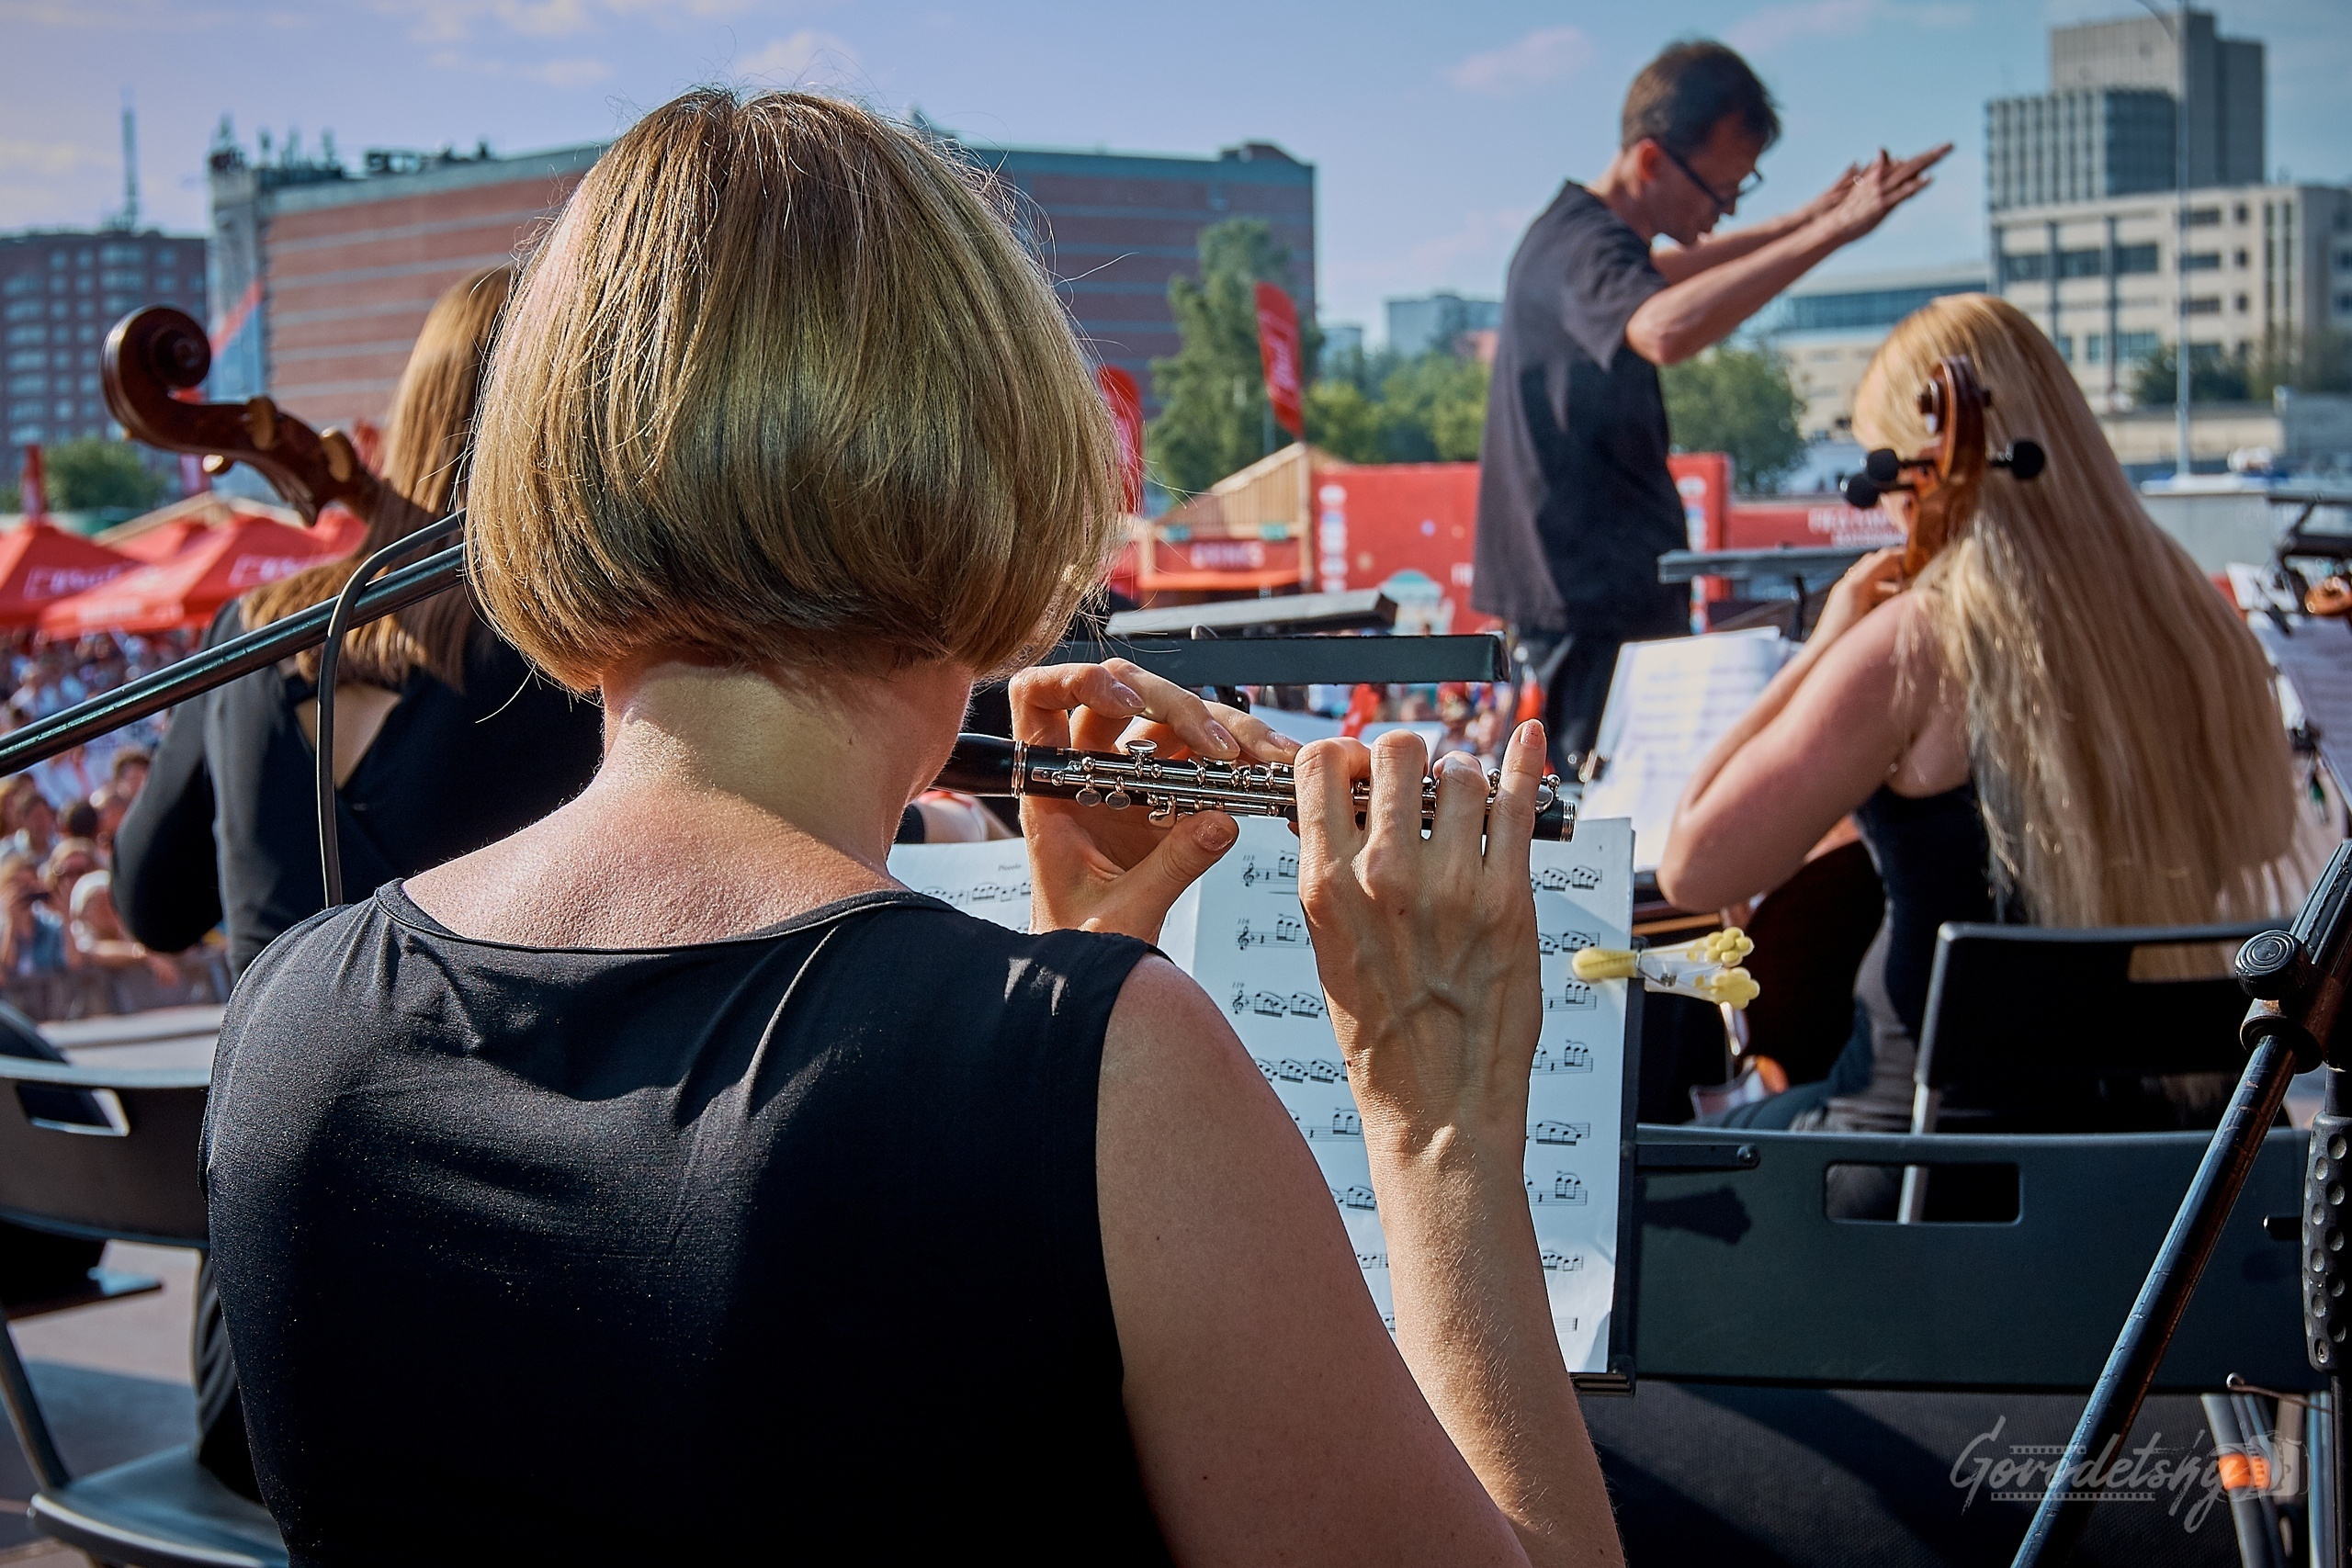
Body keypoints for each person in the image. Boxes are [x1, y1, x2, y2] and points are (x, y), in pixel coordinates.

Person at [203, 88, 1623, 1565]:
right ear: (993, 465)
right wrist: (1439, 1113)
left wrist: (1054, 1012)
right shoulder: (1107, 1076)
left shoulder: (293, 1023)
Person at [114, 265, 606, 1503]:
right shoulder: (584, 673)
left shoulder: (255, 636)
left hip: (259, 1373)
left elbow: (150, 903)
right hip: (504, 1361)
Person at [1657, 293, 2313, 1152]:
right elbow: (2264, 832)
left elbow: (1694, 867)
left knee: (1677, 1162)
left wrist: (1828, 643)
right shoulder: (2194, 617)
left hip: (1933, 1174)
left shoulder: (1923, 642)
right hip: (2171, 1168)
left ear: (1919, 464)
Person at [114, 265, 604, 976]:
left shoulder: (251, 631)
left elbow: (153, 903)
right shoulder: (569, 653)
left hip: (275, 1086)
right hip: (504, 1086)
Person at [1473, 39, 1949, 770]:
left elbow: (1673, 271)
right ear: (1652, 161)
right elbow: (1664, 323)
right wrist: (1831, 232)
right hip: (1590, 607)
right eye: (1718, 191)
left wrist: (1808, 218)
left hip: (1592, 598)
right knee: (1594, 823)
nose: (1725, 213)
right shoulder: (1582, 249)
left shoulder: (1576, 242)